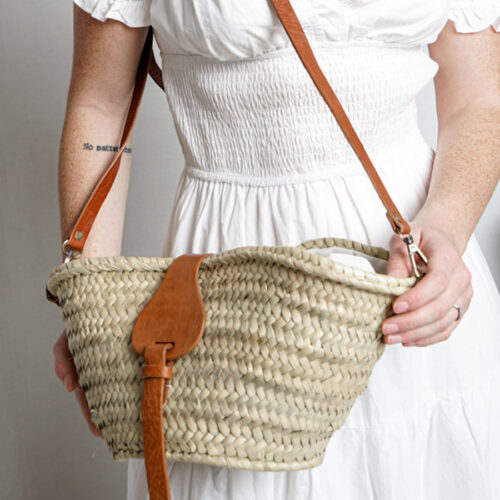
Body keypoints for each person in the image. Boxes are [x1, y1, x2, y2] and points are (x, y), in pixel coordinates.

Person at [52, 0, 500, 499]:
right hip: (229, 285)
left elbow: (479, 98)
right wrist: (88, 298)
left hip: (414, 269)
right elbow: (101, 106)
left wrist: (448, 225)